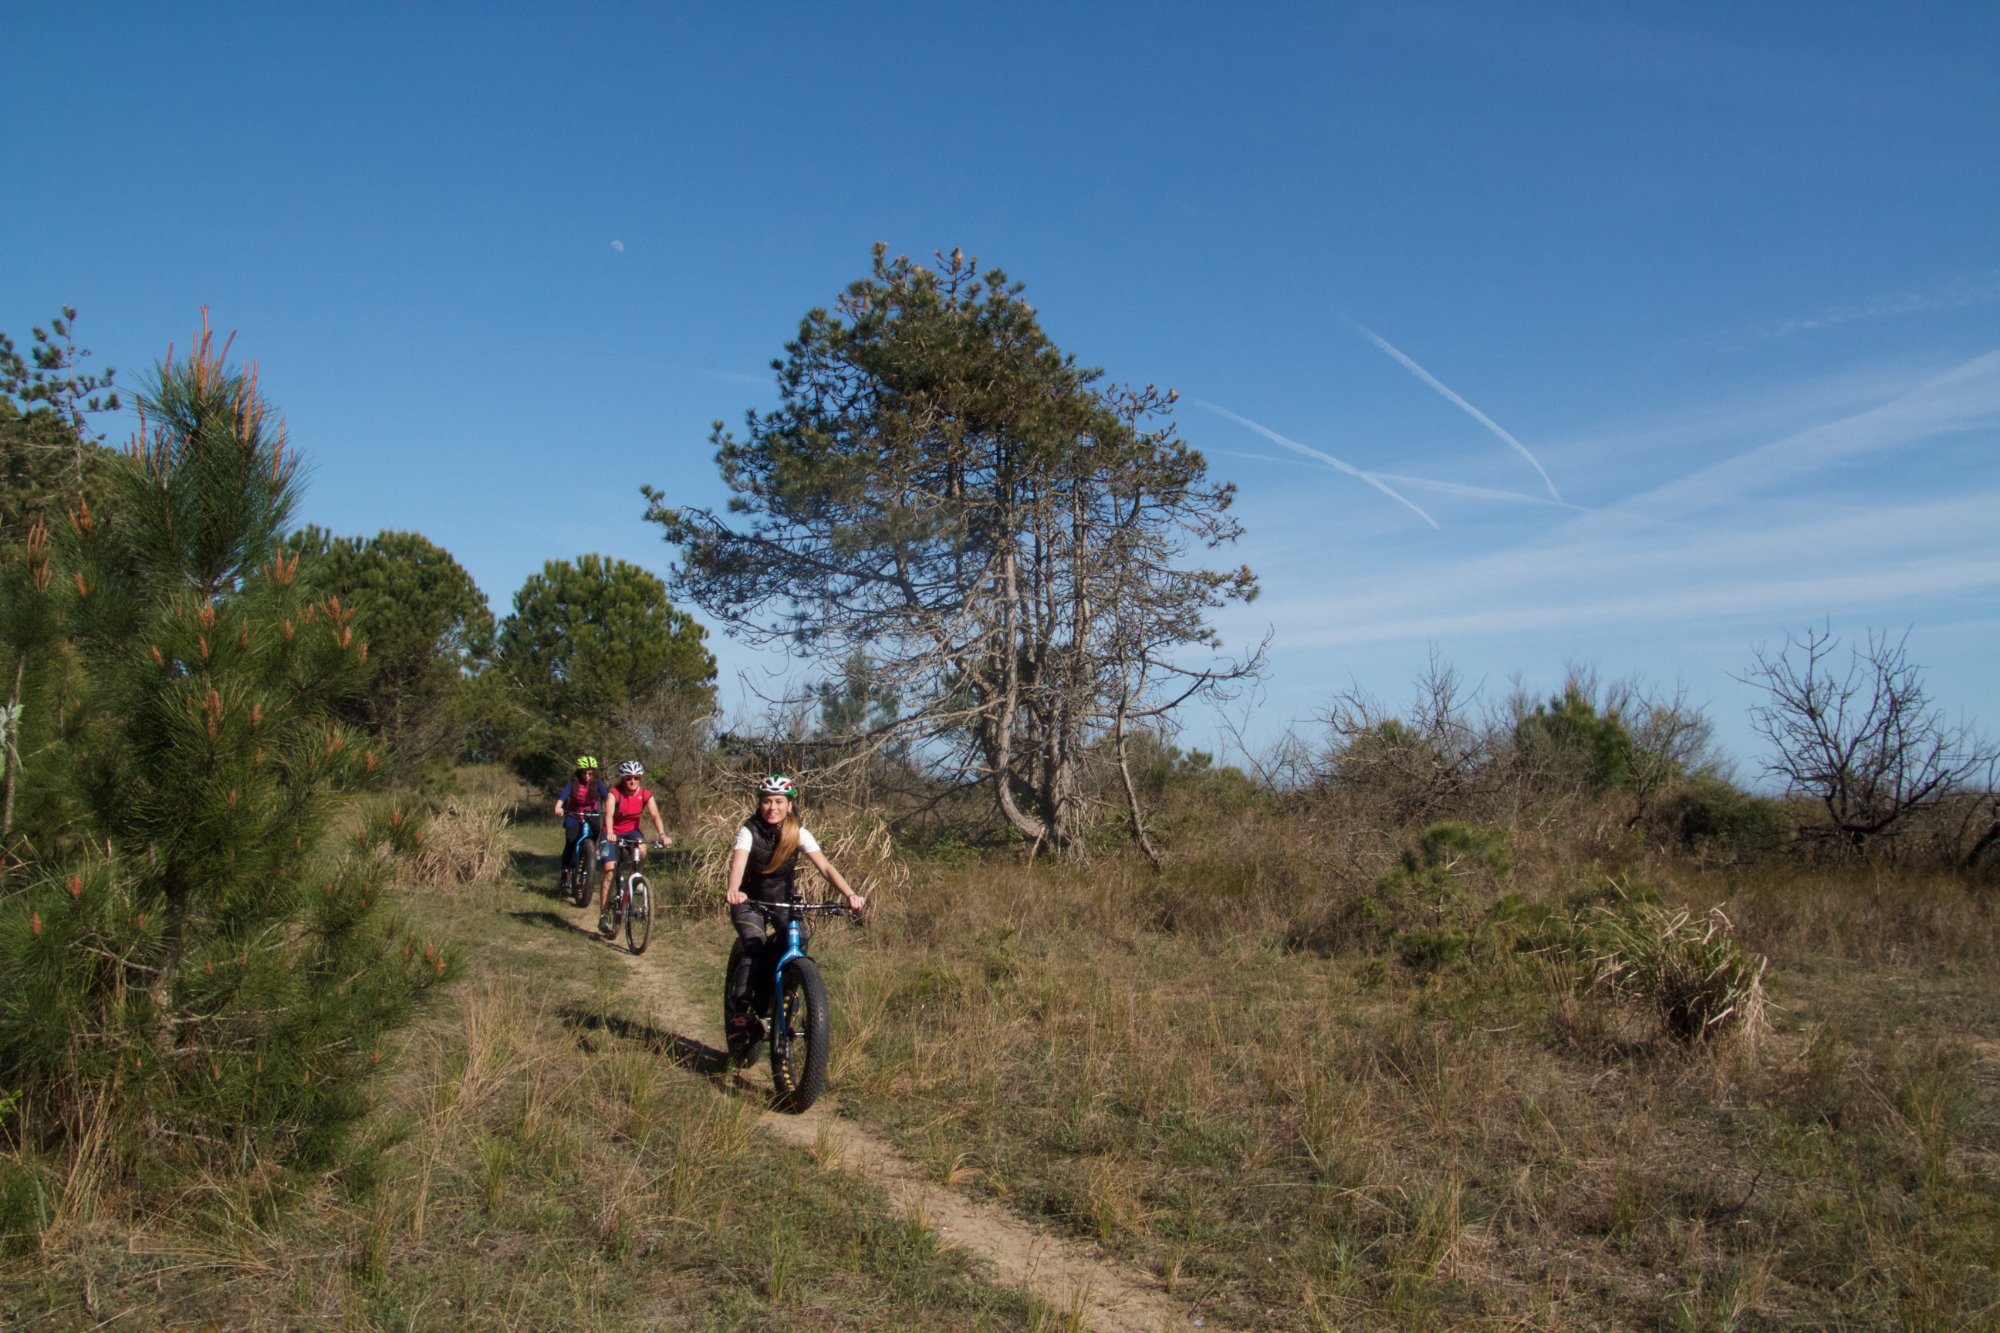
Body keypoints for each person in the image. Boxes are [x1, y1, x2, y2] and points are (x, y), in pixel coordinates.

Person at [722, 774, 865, 1052]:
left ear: (789, 805)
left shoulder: (798, 832)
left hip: (781, 899)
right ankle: (742, 1009)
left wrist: (849, 894)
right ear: (759, 804)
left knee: (797, 939)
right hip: (748, 899)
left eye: (778, 802)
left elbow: (825, 867)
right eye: (766, 802)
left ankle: (786, 987)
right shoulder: (748, 830)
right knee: (755, 945)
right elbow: (738, 863)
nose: (771, 808)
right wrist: (734, 889)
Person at [597, 759, 672, 936]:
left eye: (636, 777)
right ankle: (603, 915)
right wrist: (609, 832)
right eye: (629, 777)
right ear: (623, 779)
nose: (633, 781)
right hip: (611, 833)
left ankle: (636, 877)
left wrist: (662, 834)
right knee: (609, 871)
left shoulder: (645, 794)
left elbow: (655, 815)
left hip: (632, 832)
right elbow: (608, 815)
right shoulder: (614, 794)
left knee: (643, 848)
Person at [553, 755, 608, 891]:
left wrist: (614, 809)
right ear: (579, 772)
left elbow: (607, 797)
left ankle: (590, 854)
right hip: (574, 814)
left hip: (591, 813)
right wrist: (559, 806)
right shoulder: (573, 782)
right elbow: (564, 796)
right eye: (584, 773)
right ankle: (566, 871)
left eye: (590, 773)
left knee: (596, 830)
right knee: (571, 841)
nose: (587, 776)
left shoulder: (598, 782)